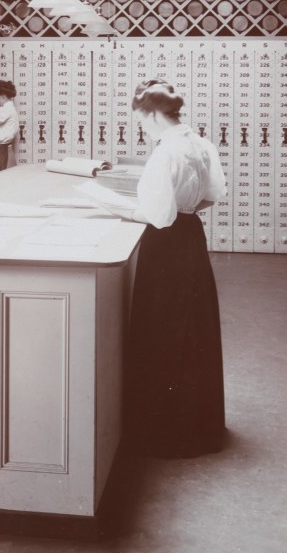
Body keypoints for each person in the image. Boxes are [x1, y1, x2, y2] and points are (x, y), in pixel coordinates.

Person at [95, 79, 227, 458]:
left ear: (152, 114)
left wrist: (106, 203)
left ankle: (164, 432)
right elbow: (213, 196)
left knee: (163, 326)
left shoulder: (165, 153)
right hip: (191, 240)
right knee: (192, 325)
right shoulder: (201, 144)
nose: (141, 127)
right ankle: (198, 425)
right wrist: (181, 211)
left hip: (165, 247)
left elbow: (157, 216)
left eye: (140, 120)